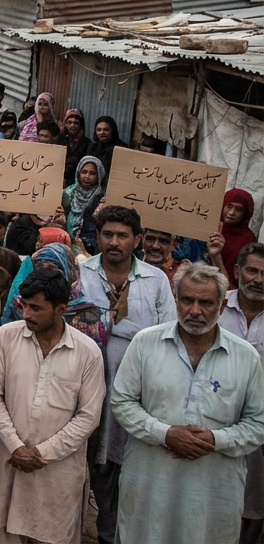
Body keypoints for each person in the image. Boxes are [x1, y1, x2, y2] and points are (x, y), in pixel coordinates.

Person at [112, 263, 264, 544]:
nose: (195, 311)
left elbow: (258, 423)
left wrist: (215, 439)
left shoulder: (246, 357)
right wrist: (166, 434)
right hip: (149, 481)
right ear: (175, 300)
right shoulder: (145, 343)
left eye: (205, 302)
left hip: (213, 491)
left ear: (222, 306)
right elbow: (122, 402)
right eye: (187, 300)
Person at [0, 267, 106, 544]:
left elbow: (88, 417)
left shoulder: (87, 352)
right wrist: (16, 447)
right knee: (4, 531)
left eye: (36, 308)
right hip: (8, 461)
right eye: (24, 305)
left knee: (53, 532)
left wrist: (41, 453)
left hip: (57, 472)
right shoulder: (6, 337)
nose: (26, 314)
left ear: (61, 308)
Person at [77, 205, 176, 542]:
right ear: (98, 236)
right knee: (92, 458)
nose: (114, 242)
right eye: (108, 234)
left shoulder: (156, 279)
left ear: (137, 240)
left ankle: (127, 532)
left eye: (123, 235)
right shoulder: (82, 273)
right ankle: (94, 528)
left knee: (131, 460)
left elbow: (168, 333)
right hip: (88, 384)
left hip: (139, 387)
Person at [219, 244, 264, 543]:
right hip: (216, 417)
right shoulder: (215, 305)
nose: (259, 279)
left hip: (260, 423)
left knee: (255, 496)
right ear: (237, 271)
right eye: (252, 271)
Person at [208, 188, 258, 287]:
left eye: (238, 209)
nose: (231, 213)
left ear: (245, 213)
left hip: (226, 288)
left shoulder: (247, 239)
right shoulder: (213, 227)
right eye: (229, 206)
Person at [63, 155, 106, 255]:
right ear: (78, 173)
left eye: (92, 173)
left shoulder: (103, 198)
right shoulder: (68, 193)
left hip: (92, 247)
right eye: (84, 172)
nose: (87, 176)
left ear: (99, 175)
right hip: (67, 243)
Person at [86, 115, 125, 182]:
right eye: (98, 130)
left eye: (106, 130)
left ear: (112, 131)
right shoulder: (92, 146)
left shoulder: (121, 148)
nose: (102, 133)